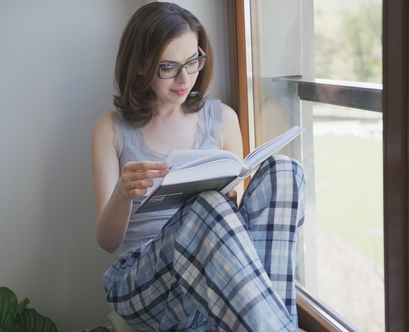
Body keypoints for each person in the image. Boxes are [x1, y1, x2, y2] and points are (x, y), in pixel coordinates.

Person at [91, 3, 306, 331]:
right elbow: (107, 241)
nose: (185, 78)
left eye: (193, 61)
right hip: (140, 285)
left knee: (284, 173)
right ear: (139, 66)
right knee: (204, 207)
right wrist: (123, 193)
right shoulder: (111, 129)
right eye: (169, 67)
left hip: (211, 271)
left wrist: (231, 198)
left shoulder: (222, 118)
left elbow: (236, 219)